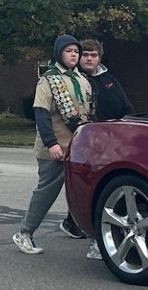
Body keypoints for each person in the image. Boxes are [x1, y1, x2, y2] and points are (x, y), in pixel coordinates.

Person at [13, 35, 92, 255]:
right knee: (46, 192)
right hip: (55, 148)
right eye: (68, 51)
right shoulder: (49, 80)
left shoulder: (82, 80)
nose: (74, 55)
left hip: (78, 148)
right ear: (59, 53)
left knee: (83, 193)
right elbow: (41, 114)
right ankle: (24, 233)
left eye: (76, 51)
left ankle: (87, 234)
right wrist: (51, 143)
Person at [78, 38, 132, 121]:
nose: (89, 58)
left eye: (93, 55)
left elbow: (126, 109)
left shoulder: (110, 81)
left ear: (99, 58)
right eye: (85, 55)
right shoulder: (74, 80)